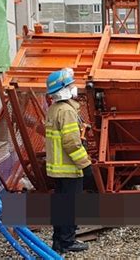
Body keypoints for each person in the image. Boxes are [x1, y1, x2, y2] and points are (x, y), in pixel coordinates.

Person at [45, 68, 93, 253]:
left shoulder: (54, 109)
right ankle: (67, 242)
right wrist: (86, 164)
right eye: (71, 84)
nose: (74, 87)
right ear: (64, 89)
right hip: (69, 169)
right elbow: (72, 143)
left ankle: (58, 241)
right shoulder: (67, 112)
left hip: (57, 169)